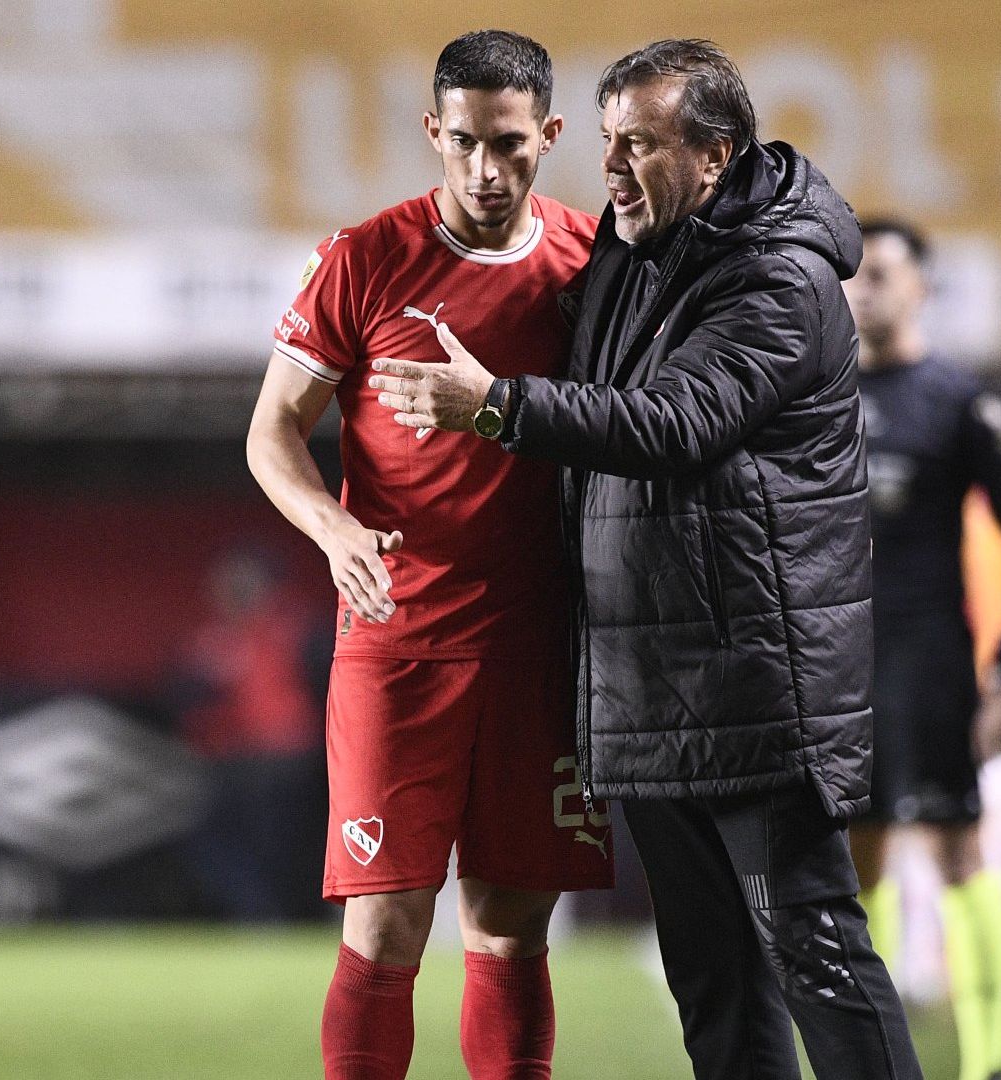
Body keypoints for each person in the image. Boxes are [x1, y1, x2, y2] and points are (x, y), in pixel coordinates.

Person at [368, 38, 923, 1080]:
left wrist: (491, 405)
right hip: (654, 683)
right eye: (610, 141)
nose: (614, 167)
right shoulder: (632, 254)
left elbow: (677, 420)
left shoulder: (780, 276)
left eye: (641, 145)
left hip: (760, 684)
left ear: (714, 157)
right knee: (715, 980)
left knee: (816, 954)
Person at [245, 30, 613, 1080]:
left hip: (542, 648)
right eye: (463, 144)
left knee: (508, 933)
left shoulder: (592, 265)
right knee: (387, 929)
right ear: (432, 134)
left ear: (548, 135)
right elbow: (272, 432)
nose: (485, 172)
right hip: (398, 644)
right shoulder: (364, 258)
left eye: (510, 145)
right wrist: (334, 528)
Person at [843, 218, 1001, 1080]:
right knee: (856, 862)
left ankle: (987, 1060)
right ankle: (874, 1056)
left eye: (883, 273)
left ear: (921, 286)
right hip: (836, 659)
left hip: (929, 659)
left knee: (958, 851)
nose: (864, 289)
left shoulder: (958, 400)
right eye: (853, 275)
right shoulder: (813, 395)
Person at [174, 547, 325, 922]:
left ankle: (291, 916)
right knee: (223, 842)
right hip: (242, 760)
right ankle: (261, 915)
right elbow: (187, 696)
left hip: (290, 759)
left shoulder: (295, 628)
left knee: (288, 845)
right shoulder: (221, 637)